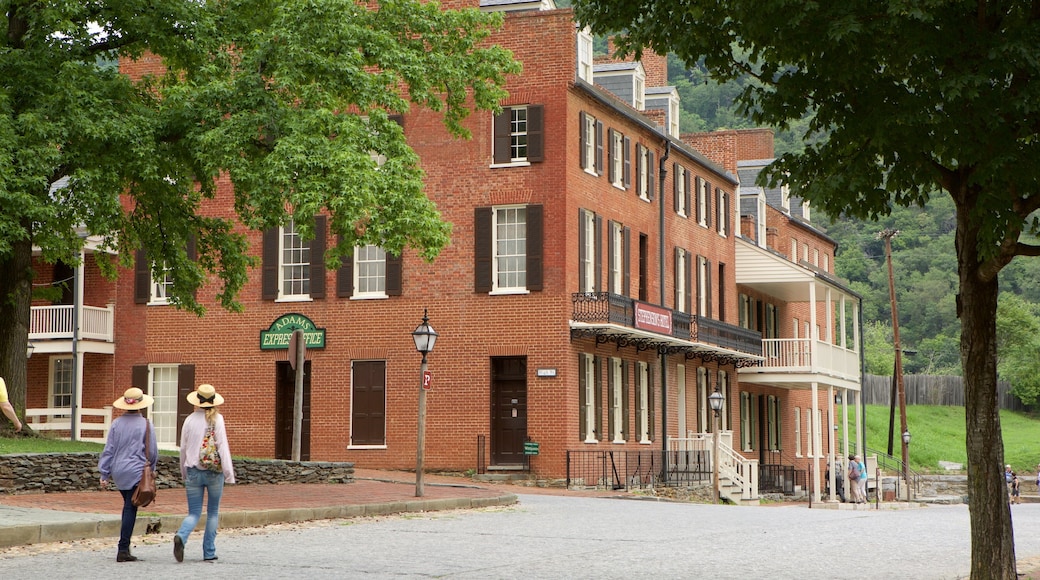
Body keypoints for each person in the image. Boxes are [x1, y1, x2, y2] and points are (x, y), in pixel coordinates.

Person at [174, 384, 236, 563]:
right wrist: (229, 473)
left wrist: (183, 471)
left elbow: (183, 448)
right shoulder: (218, 419)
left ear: (198, 401)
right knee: (213, 512)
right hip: (214, 472)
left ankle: (181, 535)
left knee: (193, 513)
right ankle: (209, 551)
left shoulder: (189, 420)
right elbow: (222, 446)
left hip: (193, 470)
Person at [98, 387, 158, 562]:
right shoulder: (146, 424)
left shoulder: (116, 424)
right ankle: (123, 548)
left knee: (127, 504)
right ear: (141, 405)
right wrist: (151, 470)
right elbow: (152, 451)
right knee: (130, 507)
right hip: (136, 470)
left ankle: (125, 547)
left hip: (118, 470)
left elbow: (109, 449)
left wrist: (105, 473)